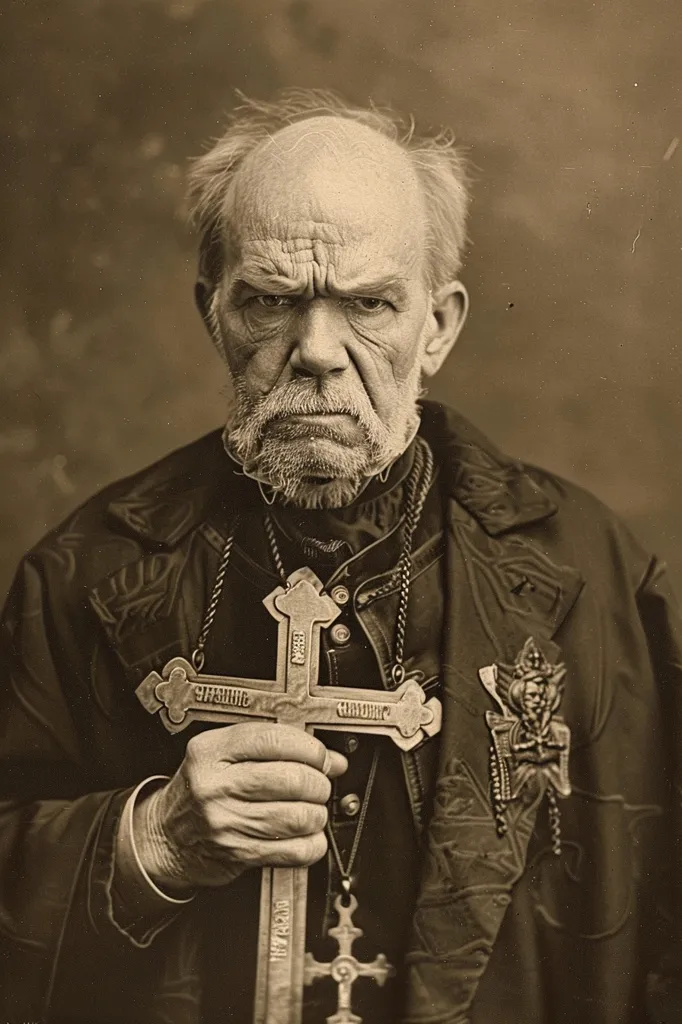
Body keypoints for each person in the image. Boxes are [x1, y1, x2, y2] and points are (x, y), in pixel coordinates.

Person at [0, 88, 680, 1024]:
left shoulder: (596, 576)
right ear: (213, 313)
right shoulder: (81, 578)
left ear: (436, 327)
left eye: (367, 304)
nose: (316, 350)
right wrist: (144, 847)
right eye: (272, 302)